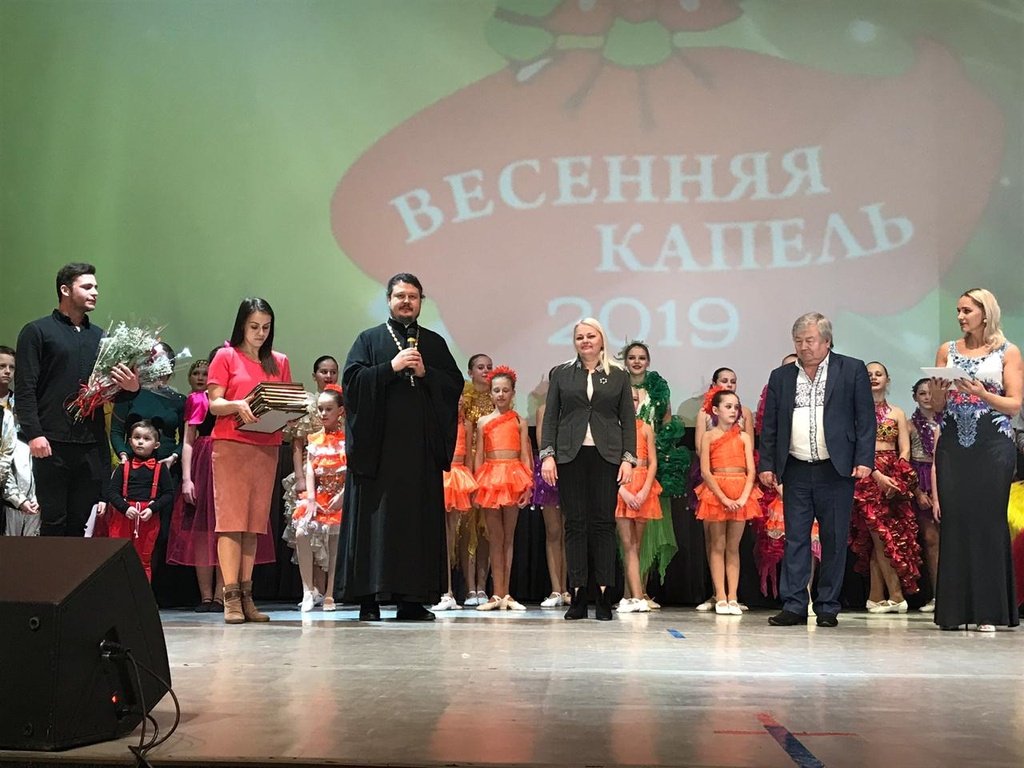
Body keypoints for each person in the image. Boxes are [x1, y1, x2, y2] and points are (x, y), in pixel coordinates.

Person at [338, 273, 463, 621]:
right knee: (374, 526)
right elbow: (351, 385)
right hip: (377, 453)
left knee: (415, 527)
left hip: (418, 455)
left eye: (413, 296)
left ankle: (412, 600)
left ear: (421, 301)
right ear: (389, 300)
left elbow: (454, 385)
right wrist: (389, 368)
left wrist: (427, 375)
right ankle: (369, 599)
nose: (406, 302)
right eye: (400, 296)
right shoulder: (369, 339)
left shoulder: (434, 343)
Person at [758, 312, 874, 628]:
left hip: (836, 470)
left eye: (810, 340)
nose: (804, 346)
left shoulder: (851, 369)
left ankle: (827, 606)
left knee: (833, 539)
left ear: (826, 341)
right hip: (795, 468)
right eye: (798, 341)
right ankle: (794, 605)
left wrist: (864, 459)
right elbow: (770, 425)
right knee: (795, 538)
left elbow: (865, 419)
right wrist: (767, 464)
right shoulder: (781, 376)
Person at [15, 263, 140, 536]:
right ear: (65, 290)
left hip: (91, 444)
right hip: (51, 442)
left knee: (79, 522)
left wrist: (131, 388)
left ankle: (74, 567)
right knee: (53, 521)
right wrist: (34, 433)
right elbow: (25, 389)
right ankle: (52, 567)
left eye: (96, 287)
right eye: (87, 286)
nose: (95, 292)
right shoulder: (37, 331)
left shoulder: (101, 338)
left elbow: (110, 391)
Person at [931, 288, 1021, 632]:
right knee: (955, 522)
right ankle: (954, 612)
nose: (960, 316)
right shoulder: (947, 350)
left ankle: (989, 612)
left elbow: (1014, 404)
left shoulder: (1007, 351)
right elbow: (938, 408)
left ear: (986, 313)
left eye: (967, 310)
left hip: (992, 445)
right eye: (958, 310)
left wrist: (983, 393)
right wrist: (939, 392)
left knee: (988, 522)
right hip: (954, 445)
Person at [541, 318, 636, 621]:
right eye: (580, 337)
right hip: (570, 455)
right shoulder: (562, 373)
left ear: (601, 339)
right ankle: (578, 594)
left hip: (607, 456)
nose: (585, 341)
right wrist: (548, 455)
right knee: (575, 524)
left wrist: (628, 458)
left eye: (590, 336)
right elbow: (551, 418)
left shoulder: (619, 375)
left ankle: (605, 595)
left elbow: (628, 419)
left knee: (603, 524)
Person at [208, 298, 293, 624]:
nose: (260, 333)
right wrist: (237, 404)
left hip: (266, 446)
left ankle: (247, 596)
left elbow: (285, 400)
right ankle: (230, 597)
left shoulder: (279, 361)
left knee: (254, 524)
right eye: (254, 326)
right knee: (231, 522)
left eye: (266, 327)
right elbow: (214, 404)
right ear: (242, 325)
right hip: (231, 444)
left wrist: (292, 413)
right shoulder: (226, 356)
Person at [621, 341, 688, 609]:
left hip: (651, 461)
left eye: (642, 357)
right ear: (625, 361)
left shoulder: (658, 387)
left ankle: (643, 591)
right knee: (625, 536)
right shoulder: (617, 386)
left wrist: (660, 451)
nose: (637, 362)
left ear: (648, 361)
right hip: (626, 462)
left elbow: (667, 421)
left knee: (647, 531)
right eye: (632, 357)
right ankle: (628, 592)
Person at [850, 362, 920, 614]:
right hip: (866, 473)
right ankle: (896, 595)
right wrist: (876, 473)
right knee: (879, 536)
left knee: (886, 537)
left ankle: (876, 596)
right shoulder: (855, 411)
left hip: (893, 475)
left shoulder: (898, 412)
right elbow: (855, 446)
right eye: (869, 374)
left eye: (878, 374)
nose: (873, 378)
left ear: (887, 380)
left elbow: (905, 449)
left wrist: (898, 477)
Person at [752, 353, 822, 604]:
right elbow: (768, 436)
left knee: (813, 542)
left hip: (816, 472)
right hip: (782, 480)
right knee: (792, 542)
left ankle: (809, 594)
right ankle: (793, 597)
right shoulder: (776, 399)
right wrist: (777, 481)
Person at [692, 367, 755, 612]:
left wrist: (743, 496)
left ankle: (733, 596)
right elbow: (706, 471)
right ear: (716, 410)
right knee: (717, 545)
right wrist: (723, 497)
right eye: (728, 406)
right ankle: (719, 596)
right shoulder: (709, 436)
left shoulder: (744, 438)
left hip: (740, 492)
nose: (733, 411)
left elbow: (750, 470)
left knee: (733, 547)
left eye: (736, 407)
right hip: (716, 492)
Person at [281, 355, 339, 606]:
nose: (328, 376)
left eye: (333, 371)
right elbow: (297, 445)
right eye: (323, 371)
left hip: (334, 474)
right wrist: (301, 478)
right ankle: (312, 588)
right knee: (307, 531)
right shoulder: (307, 404)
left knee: (329, 535)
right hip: (309, 471)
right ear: (314, 375)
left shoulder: (341, 402)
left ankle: (327, 591)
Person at [473, 366, 533, 612]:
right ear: (490, 393)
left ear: (513, 393)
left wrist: (528, 485)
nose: (500, 394)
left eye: (505, 390)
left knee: (509, 537)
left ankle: (506, 593)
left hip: (513, 477)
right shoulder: (483, 422)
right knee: (495, 538)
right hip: (490, 478)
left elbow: (525, 455)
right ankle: (496, 593)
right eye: (496, 390)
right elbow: (479, 456)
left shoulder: (519, 421)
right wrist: (477, 487)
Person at [100, 419, 175, 581]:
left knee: (143, 560)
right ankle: (117, 593)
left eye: (146, 438)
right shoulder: (123, 467)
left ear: (156, 445)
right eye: (137, 437)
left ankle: (141, 595)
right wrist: (125, 508)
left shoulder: (160, 468)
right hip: (123, 516)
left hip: (148, 517)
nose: (140, 441)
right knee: (118, 557)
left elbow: (169, 494)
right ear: (130, 441)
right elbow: (112, 492)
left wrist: (153, 509)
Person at [295, 384, 347, 612]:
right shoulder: (315, 438)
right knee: (302, 531)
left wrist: (343, 495)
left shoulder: (347, 440)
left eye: (328, 409)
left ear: (340, 411)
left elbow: (352, 471)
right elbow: (310, 470)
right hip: (319, 495)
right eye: (320, 409)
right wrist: (311, 499)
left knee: (335, 542)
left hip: (340, 497)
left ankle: (330, 593)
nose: (323, 413)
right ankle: (307, 590)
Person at [615, 387, 662, 614]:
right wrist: (623, 491)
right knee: (628, 545)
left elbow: (653, 462)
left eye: (635, 399)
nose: (632, 402)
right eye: (628, 398)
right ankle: (634, 596)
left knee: (637, 545)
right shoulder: (613, 428)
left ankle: (632, 595)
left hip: (643, 486)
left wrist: (645, 491)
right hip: (623, 486)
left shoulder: (645, 428)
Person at [432, 405, 477, 612]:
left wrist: (471, 487)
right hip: (442, 476)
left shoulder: (466, 425)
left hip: (458, 477)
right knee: (441, 535)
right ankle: (444, 591)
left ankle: (449, 591)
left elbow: (468, 458)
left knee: (452, 536)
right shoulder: (438, 421)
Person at [459, 353, 494, 606]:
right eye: (480, 367)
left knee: (486, 531)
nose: (486, 371)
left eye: (489, 367)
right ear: (470, 372)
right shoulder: (464, 397)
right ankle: (470, 588)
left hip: (491, 468)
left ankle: (483, 587)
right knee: (467, 530)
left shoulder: (497, 398)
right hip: (465, 467)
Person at [908, 378, 941, 613]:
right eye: (922, 393)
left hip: (944, 477)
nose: (928, 397)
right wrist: (917, 491)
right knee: (930, 540)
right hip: (920, 479)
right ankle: (938, 595)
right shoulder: (909, 425)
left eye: (931, 393)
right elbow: (905, 460)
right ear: (915, 397)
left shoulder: (948, 423)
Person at [534, 398, 569, 608]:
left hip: (571, 468)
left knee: (570, 531)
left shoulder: (574, 406)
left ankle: (567, 589)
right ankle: (556, 589)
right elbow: (542, 442)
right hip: (550, 472)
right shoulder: (544, 410)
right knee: (554, 531)